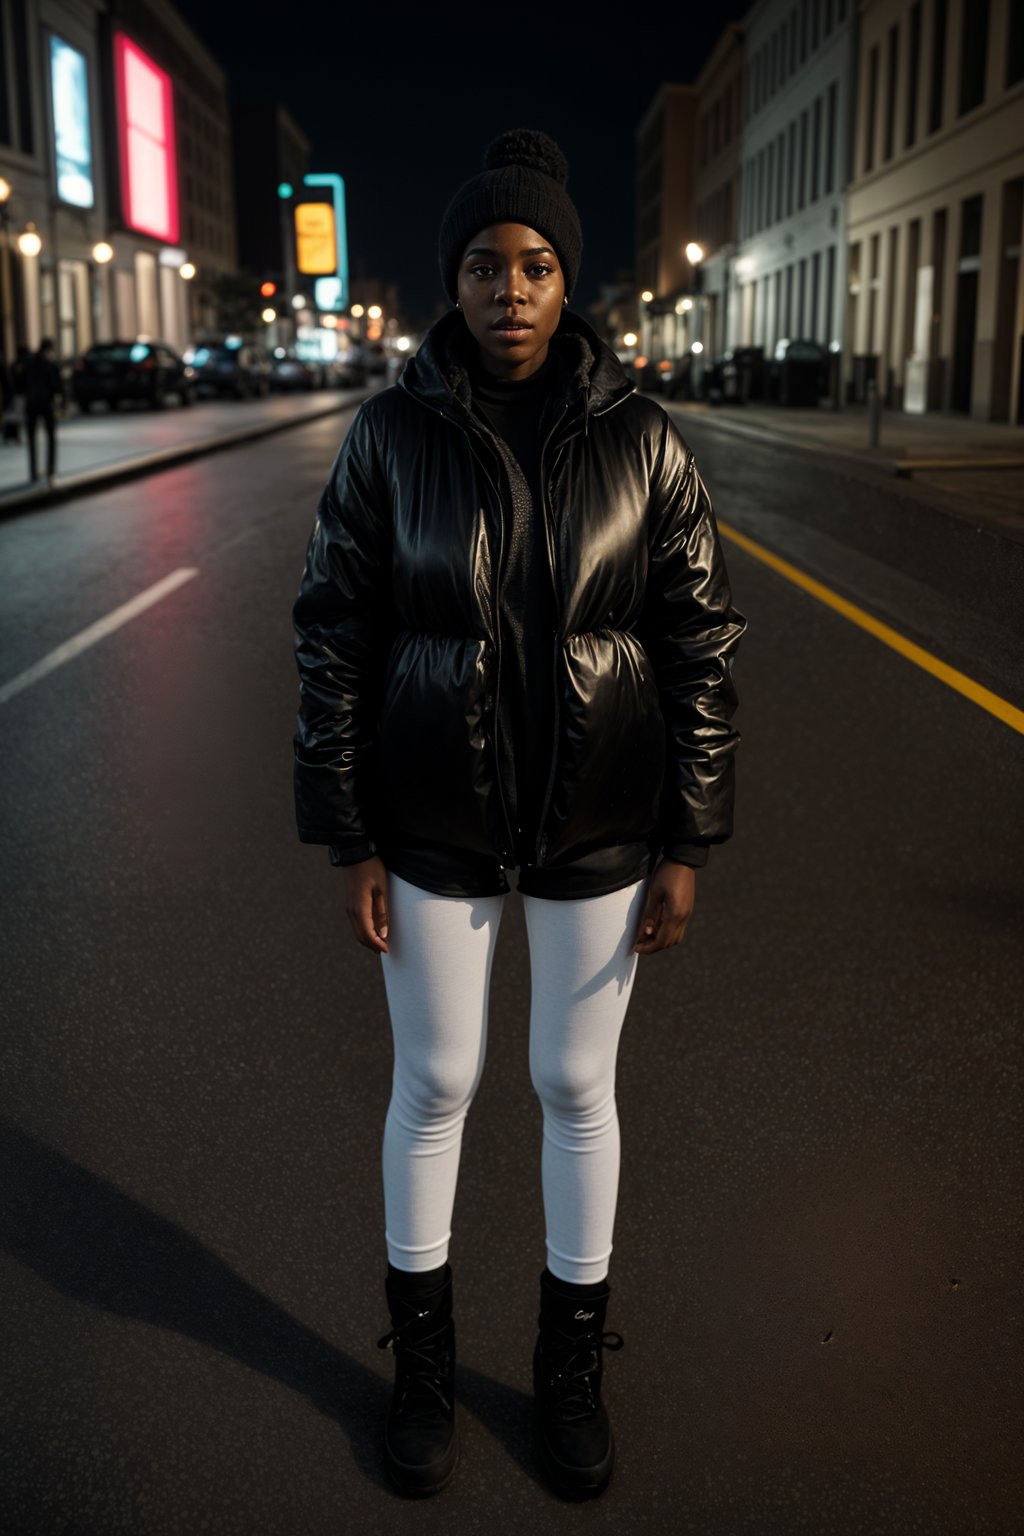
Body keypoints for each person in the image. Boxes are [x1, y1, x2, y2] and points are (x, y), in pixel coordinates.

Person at [292, 128, 746, 1501]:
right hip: (431, 823)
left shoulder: (643, 441)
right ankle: (423, 1376)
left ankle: (568, 1373)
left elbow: (699, 640)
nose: (510, 289)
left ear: (567, 283)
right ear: (455, 282)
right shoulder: (389, 438)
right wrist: (349, 829)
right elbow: (333, 634)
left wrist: (690, 835)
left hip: (598, 826)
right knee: (436, 1083)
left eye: (536, 265)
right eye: (485, 265)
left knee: (572, 1084)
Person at [24, 337, 65, 484]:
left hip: (30, 404)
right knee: (51, 437)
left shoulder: (29, 362)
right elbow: (57, 385)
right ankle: (50, 470)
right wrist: (61, 403)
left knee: (31, 439)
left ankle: (33, 471)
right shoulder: (50, 363)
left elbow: (20, 381)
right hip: (46, 404)